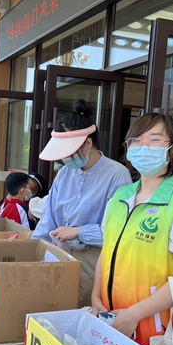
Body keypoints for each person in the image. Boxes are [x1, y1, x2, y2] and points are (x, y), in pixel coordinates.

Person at [91, 112, 173, 345]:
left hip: (155, 332)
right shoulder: (119, 197)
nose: (144, 147)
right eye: (136, 140)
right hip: (111, 319)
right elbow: (107, 252)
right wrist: (95, 297)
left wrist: (133, 315)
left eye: (155, 140)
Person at [32, 99, 132, 308]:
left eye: (70, 153)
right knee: (52, 307)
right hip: (59, 252)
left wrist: (78, 232)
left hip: (93, 258)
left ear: (88, 143)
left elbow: (118, 232)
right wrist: (33, 250)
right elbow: (49, 218)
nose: (66, 159)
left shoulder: (117, 175)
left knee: (81, 310)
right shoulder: (65, 173)